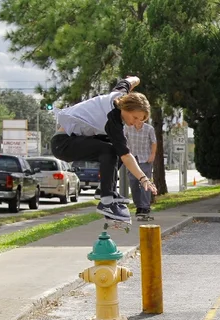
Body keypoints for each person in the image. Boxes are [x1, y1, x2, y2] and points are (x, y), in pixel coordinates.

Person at [50, 76, 157, 222]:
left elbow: (126, 83)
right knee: (112, 151)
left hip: (75, 140)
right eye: (135, 117)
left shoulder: (120, 96)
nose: (136, 123)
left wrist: (136, 79)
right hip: (63, 144)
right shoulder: (112, 120)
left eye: (141, 120)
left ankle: (104, 190)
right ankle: (106, 200)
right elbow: (126, 157)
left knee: (117, 148)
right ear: (127, 108)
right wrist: (143, 178)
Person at [123, 119, 158, 220]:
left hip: (145, 159)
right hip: (132, 159)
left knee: (145, 183)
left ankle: (145, 207)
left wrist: (153, 154)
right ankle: (139, 205)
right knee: (133, 182)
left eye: (141, 119)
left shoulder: (149, 129)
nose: (139, 121)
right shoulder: (127, 127)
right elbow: (122, 139)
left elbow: (154, 142)